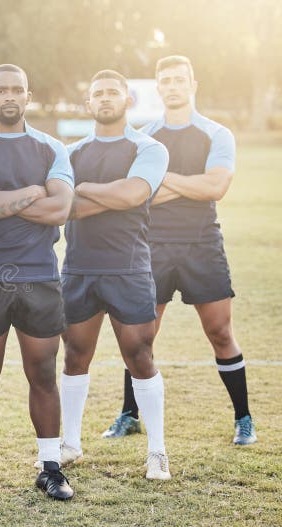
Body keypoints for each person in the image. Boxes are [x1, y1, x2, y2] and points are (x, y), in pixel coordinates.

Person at [101, 55, 255, 445]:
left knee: (220, 332)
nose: (172, 86)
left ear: (192, 84)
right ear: (157, 87)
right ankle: (128, 415)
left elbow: (216, 188)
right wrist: (189, 183)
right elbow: (138, 197)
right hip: (150, 248)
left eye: (178, 80)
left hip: (203, 245)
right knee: (139, 336)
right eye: (165, 81)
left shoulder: (216, 134)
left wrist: (161, 178)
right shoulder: (144, 137)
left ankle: (244, 419)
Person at [0, 64, 74, 501]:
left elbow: (60, 209)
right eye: (1, 90)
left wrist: (3, 199)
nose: (9, 96)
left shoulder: (51, 147)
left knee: (43, 374)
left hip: (40, 275)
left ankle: (51, 467)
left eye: (17, 90)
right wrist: (34, 192)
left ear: (28, 96)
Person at [60, 70, 172, 480]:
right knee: (74, 355)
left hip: (128, 268)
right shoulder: (69, 152)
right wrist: (110, 195)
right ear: (88, 103)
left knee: (139, 356)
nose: (105, 98)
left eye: (112, 92)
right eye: (98, 94)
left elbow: (134, 194)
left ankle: (157, 451)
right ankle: (69, 444)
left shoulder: (149, 147)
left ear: (128, 100)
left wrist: (85, 187)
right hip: (79, 267)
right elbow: (63, 208)